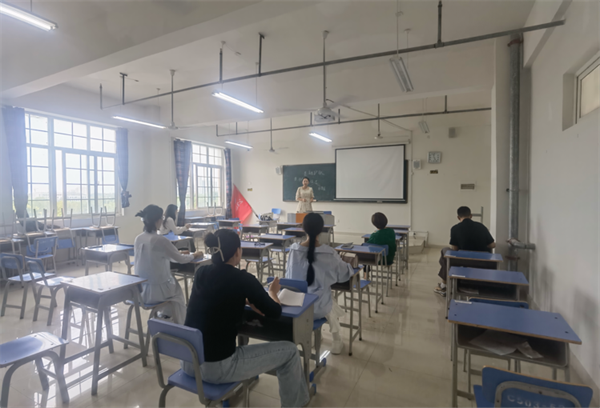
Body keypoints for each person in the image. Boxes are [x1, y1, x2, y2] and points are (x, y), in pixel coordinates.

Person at [183, 229, 309, 408]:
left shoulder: (201, 273)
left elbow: (216, 295)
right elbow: (274, 311)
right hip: (217, 369)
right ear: (237, 252)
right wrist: (273, 293)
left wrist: (243, 299)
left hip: (189, 362)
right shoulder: (243, 279)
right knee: (290, 352)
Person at [286, 213, 354, 355]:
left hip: (297, 305)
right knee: (330, 302)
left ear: (303, 228)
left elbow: (289, 276)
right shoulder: (329, 253)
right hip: (318, 307)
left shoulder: (293, 250)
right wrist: (350, 266)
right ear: (322, 229)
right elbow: (343, 275)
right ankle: (336, 341)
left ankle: (312, 336)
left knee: (323, 298)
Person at [134, 204, 203, 323]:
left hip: (140, 291)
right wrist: (195, 255)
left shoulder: (138, 238)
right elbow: (180, 260)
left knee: (172, 288)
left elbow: (157, 255)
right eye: (161, 218)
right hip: (157, 291)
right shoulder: (160, 240)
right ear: (157, 221)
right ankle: (180, 324)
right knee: (178, 295)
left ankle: (165, 317)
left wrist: (177, 252)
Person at [434, 206, 496, 297]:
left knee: (445, 253)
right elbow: (492, 245)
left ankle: (444, 285)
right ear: (471, 216)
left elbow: (454, 249)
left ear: (458, 217)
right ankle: (445, 284)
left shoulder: (455, 228)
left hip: (463, 261)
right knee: (446, 258)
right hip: (483, 261)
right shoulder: (481, 226)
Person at [365, 212, 397, 277]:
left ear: (374, 224)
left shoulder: (374, 235)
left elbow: (367, 246)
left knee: (364, 255)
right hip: (390, 258)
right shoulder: (391, 231)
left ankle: (366, 274)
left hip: (379, 260)